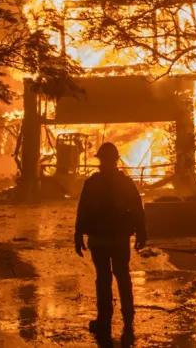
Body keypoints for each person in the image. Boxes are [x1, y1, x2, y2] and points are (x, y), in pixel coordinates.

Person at [74, 142, 147, 337]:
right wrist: (141, 231)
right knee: (122, 276)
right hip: (117, 238)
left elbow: (82, 211)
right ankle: (127, 319)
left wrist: (78, 235)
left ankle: (105, 320)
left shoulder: (92, 183)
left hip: (101, 238)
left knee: (104, 278)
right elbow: (137, 208)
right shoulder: (124, 182)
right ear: (116, 160)